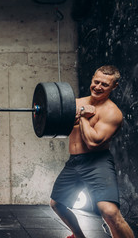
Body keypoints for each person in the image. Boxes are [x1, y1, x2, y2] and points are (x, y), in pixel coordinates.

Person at [50, 65, 134, 238]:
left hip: (97, 162)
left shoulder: (112, 113)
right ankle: (78, 236)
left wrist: (82, 117)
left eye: (104, 84)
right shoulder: (77, 103)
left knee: (109, 212)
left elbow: (93, 142)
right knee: (56, 204)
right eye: (96, 82)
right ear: (92, 79)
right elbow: (58, 126)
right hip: (74, 162)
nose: (98, 87)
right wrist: (75, 115)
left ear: (114, 86)